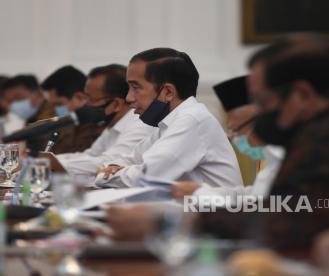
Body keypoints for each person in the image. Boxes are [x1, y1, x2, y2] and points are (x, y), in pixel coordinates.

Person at [199, 33, 329, 254]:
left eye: (263, 102)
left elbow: (284, 222)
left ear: (302, 94)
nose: (260, 114)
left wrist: (186, 221)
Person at [96, 48, 243, 189]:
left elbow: (146, 176)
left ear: (168, 92)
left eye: (136, 87)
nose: (128, 98)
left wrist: (107, 175)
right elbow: (130, 159)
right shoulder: (169, 122)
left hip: (218, 214)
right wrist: (112, 169)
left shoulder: (192, 120)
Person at [173, 75, 284, 199]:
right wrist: (200, 191)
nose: (236, 140)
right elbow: (255, 195)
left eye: (236, 130)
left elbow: (270, 203)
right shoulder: (270, 158)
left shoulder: (285, 156)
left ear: (260, 120)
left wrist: (200, 193)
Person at [55, 64, 153, 178]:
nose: (86, 105)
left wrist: (52, 164)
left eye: (91, 100)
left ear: (116, 104)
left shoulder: (140, 124)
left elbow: (108, 163)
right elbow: (91, 155)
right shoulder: (111, 124)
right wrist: (49, 159)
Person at [40, 65, 104, 154]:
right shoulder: (62, 123)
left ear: (80, 97)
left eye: (59, 104)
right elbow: (46, 153)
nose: (55, 110)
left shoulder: (98, 125)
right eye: (52, 105)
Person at [1, 74, 55, 151]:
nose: (14, 104)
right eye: (11, 101)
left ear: (36, 92)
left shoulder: (52, 116)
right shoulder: (31, 119)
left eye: (18, 97)